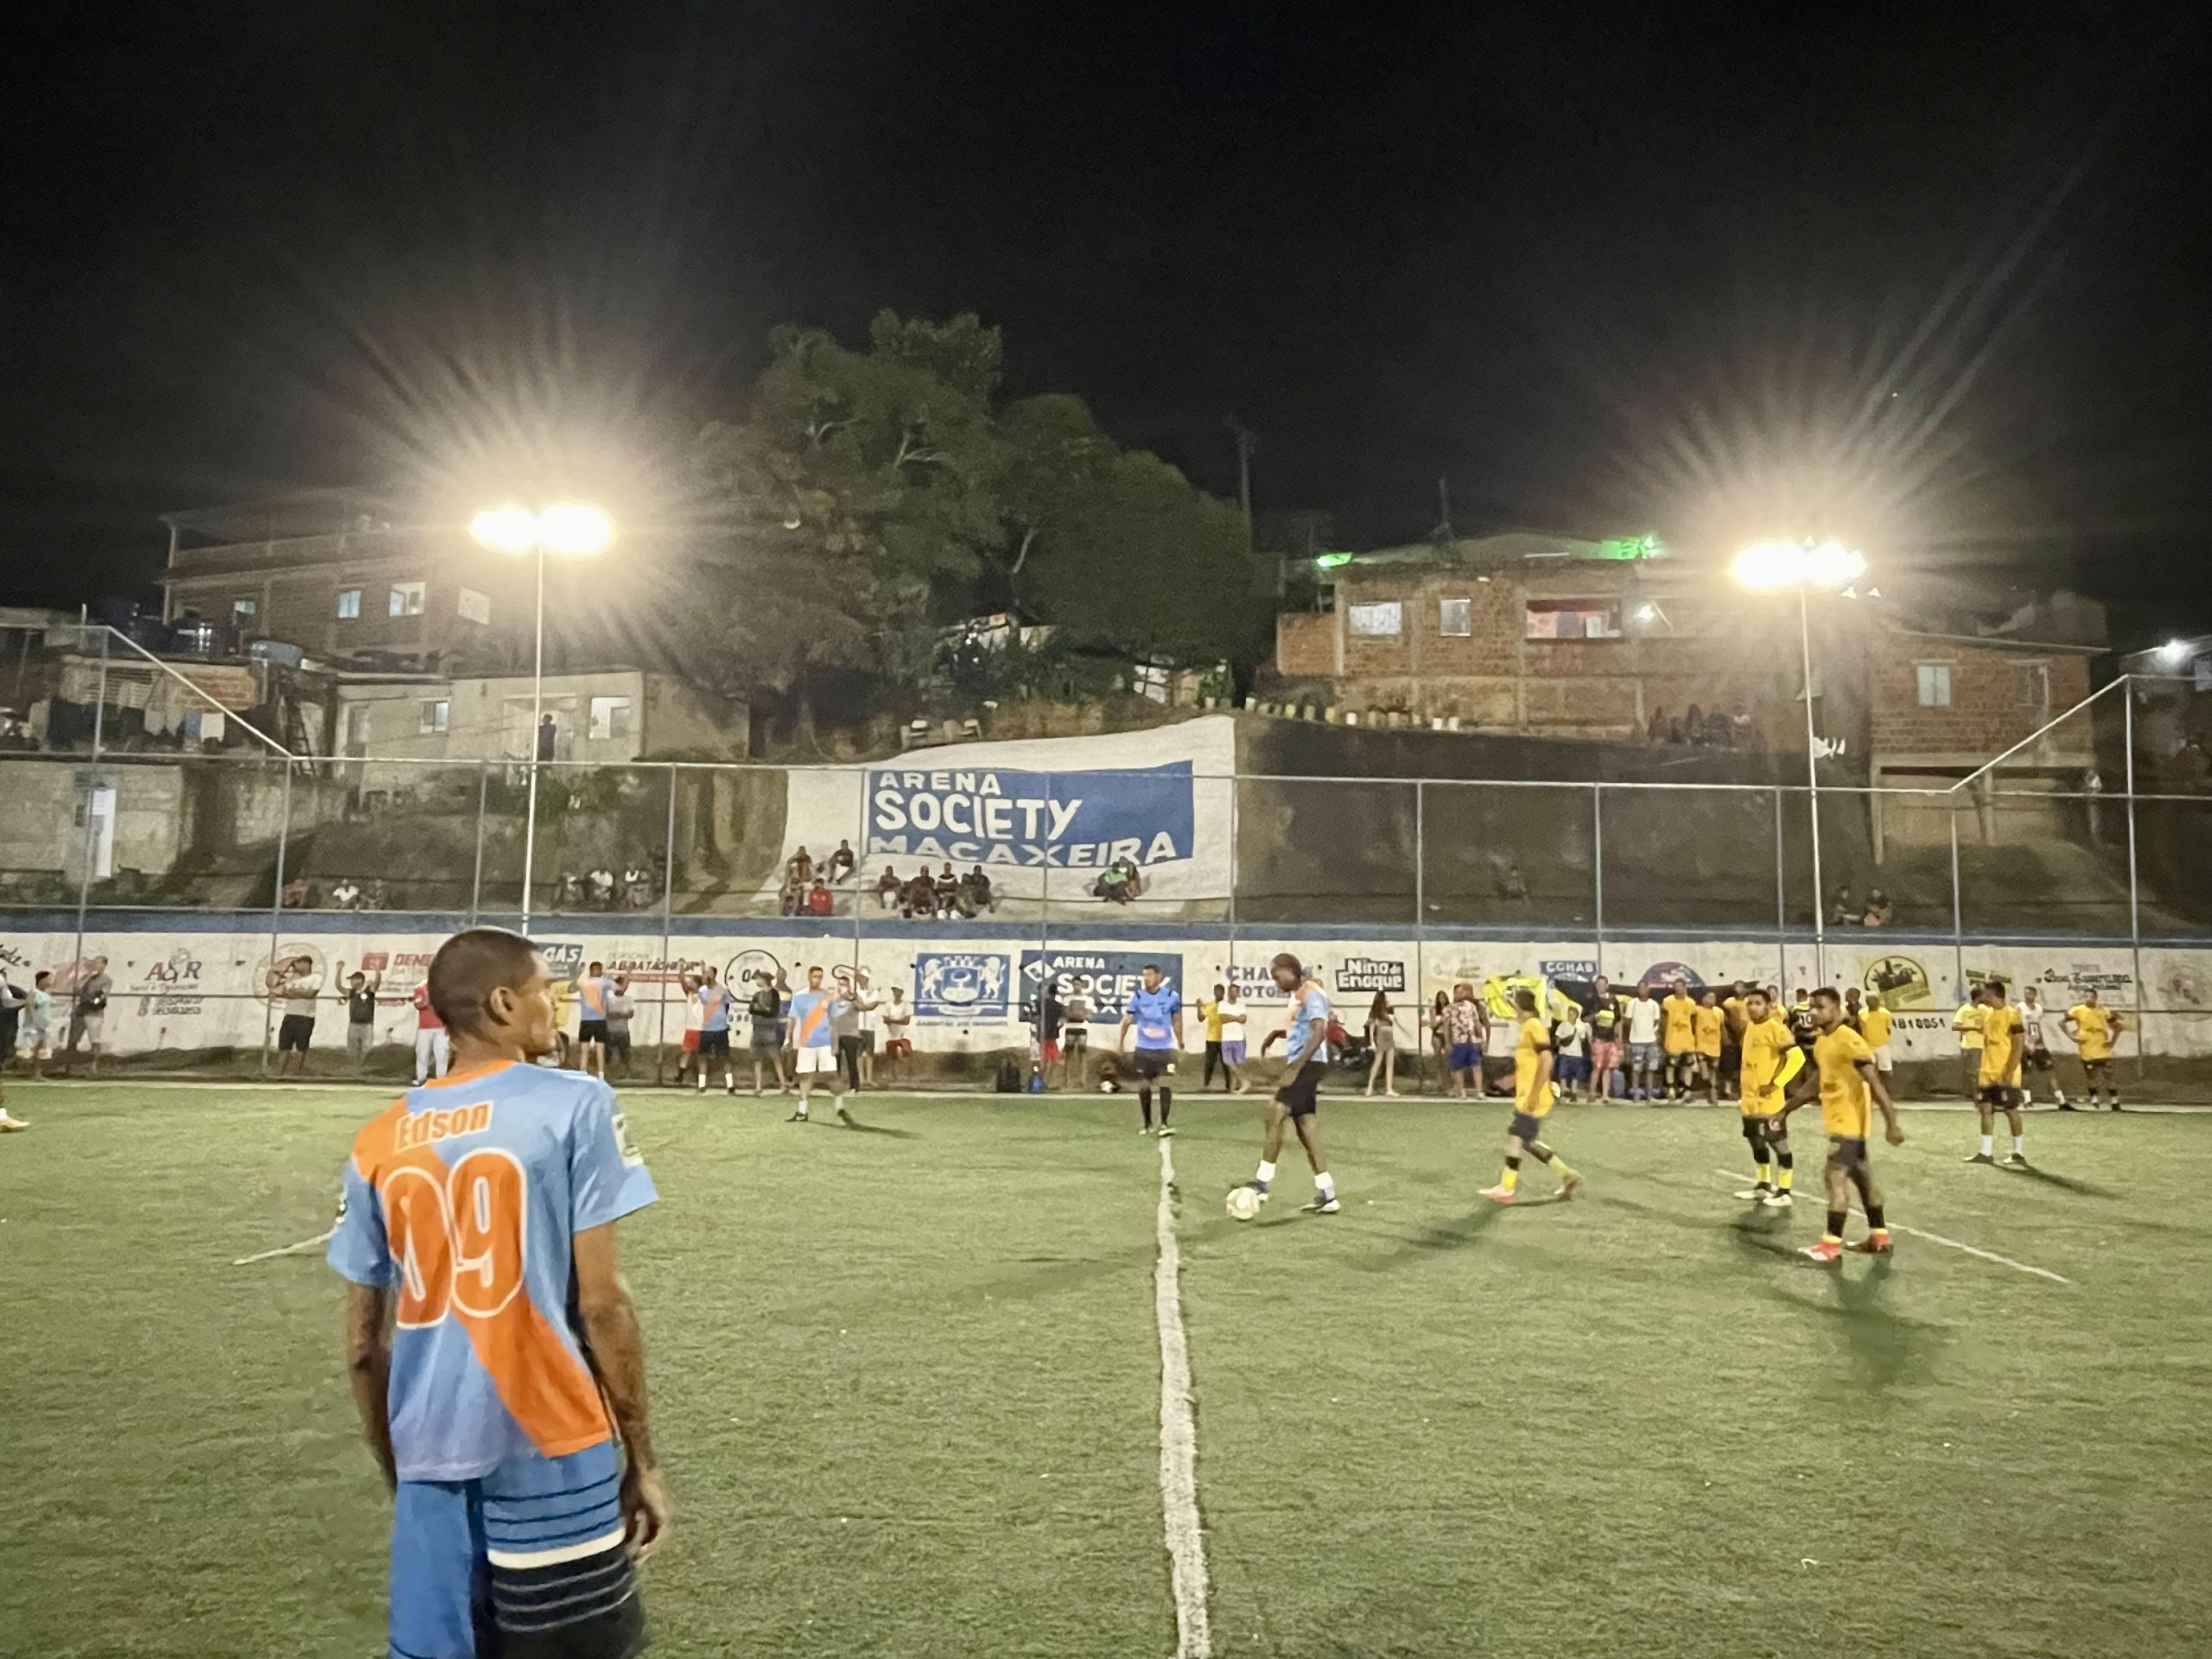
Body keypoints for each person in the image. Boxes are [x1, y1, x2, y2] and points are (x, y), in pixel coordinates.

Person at [327, 926, 667, 1659]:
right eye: (548, 989)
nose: (557, 1005)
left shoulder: (378, 1138)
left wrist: (405, 1475)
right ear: (506, 1004)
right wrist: (641, 1460)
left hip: (428, 1458)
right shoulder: (577, 1103)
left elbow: (362, 1348)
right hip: (549, 1445)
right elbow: (602, 1303)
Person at [1774, 987, 1904, 1263]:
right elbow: (1815, 1083)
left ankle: (1830, 1245)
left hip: (1848, 1125)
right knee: (1863, 1179)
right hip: (1844, 1124)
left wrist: (1892, 1123)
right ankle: (1879, 1237)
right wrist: (1785, 1110)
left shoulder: (1849, 1040)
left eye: (1820, 1006)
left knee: (1834, 1180)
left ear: (1837, 1009)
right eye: (1811, 1007)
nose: (1813, 1012)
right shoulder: (1823, 1041)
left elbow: (1876, 1085)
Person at [1237, 953, 1341, 1215]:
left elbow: (1319, 1032)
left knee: (1274, 1112)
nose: (1275, 981)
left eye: (1277, 975)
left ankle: (1261, 1184)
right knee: (1306, 1127)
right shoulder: (1298, 995)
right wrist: (1276, 1034)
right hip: (1305, 1062)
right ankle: (1328, 1194)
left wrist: (1295, 1067)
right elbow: (1303, 1028)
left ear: (1290, 970)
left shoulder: (1312, 993)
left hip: (1309, 1064)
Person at [1479, 988, 1582, 1205]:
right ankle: (1567, 1175)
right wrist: (1511, 1081)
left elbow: (1546, 1060)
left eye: (1516, 1007)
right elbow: (1531, 1065)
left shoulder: (1533, 1025)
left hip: (1533, 1099)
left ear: (1523, 1008)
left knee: (1514, 1139)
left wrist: (1535, 1094)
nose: (1514, 1012)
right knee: (1527, 1143)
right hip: (1528, 1096)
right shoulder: (1529, 1027)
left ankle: (1506, 1188)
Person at [1732, 988, 1804, 1205]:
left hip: (1770, 1101)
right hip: (1750, 1101)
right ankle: (1763, 1186)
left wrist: (1775, 1084)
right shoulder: (1751, 1027)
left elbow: (1797, 1059)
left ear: (1768, 1005)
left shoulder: (1777, 1029)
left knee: (1778, 1144)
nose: (1752, 1007)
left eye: (1757, 1003)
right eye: (1750, 1003)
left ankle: (1784, 1192)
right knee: (1756, 1142)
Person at [1965, 980, 2030, 1168]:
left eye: (1985, 994)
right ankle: (1986, 1152)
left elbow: (2018, 1045)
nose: (1982, 996)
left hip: (2005, 1072)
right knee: (1985, 1109)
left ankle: (2018, 1152)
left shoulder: (2012, 1014)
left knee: (2010, 1110)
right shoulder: (1988, 1015)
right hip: (1987, 1072)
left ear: (1994, 995)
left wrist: (2009, 1071)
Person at [1117, 963, 1185, 1136]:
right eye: (1144, 975)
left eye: (1149, 975)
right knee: (1144, 1086)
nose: (1146, 978)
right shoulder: (1138, 997)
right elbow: (1127, 1020)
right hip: (1144, 1050)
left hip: (1165, 1049)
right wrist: (1121, 1042)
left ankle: (1164, 1123)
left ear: (1159, 977)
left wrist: (1181, 1043)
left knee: (1165, 1083)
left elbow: (1176, 1020)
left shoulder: (1171, 996)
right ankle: (1147, 1123)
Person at [785, 965, 855, 1124]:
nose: (817, 979)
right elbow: (792, 1018)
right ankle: (802, 1111)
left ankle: (839, 1105)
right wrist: (787, 1038)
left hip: (825, 1042)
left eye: (820, 976)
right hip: (806, 1042)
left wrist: (849, 1000)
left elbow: (835, 1017)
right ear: (809, 977)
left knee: (831, 1077)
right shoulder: (800, 996)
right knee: (805, 1076)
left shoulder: (827, 997)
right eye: (815, 976)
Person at [2062, 988, 2121, 1109]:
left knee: (2108, 1073)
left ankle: (2115, 1101)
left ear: (2096, 998)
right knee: (2091, 1074)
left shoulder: (2104, 1011)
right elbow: (2061, 1022)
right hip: (2086, 1045)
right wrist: (2071, 1036)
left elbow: (2118, 1027)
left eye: (2091, 996)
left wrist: (2112, 1042)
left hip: (2101, 1044)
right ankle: (2094, 1098)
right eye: (2086, 996)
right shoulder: (2077, 1010)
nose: (2088, 998)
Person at [688, 966, 737, 1096]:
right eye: (705, 974)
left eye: (709, 974)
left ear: (714, 975)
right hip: (706, 1029)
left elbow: (727, 1005)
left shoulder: (721, 990)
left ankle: (730, 1085)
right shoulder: (702, 991)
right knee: (702, 1056)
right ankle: (702, 1084)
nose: (707, 976)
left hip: (720, 1028)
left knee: (725, 1057)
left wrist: (724, 1020)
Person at [268, 954, 318, 1078]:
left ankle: (296, 1073)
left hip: (306, 1016)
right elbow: (281, 991)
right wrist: (291, 993)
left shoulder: (315, 977)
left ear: (306, 964)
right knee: (284, 1046)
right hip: (290, 1015)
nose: (296, 966)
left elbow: (310, 994)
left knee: (301, 1047)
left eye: (299, 963)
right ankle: (279, 1073)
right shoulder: (293, 978)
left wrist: (292, 993)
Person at [63, 954, 113, 1077]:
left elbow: (101, 998)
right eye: (94, 962)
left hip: (94, 1013)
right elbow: (77, 988)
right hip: (82, 1011)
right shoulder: (88, 977)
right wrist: (88, 976)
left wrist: (88, 998)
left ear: (104, 964)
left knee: (95, 1041)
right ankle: (69, 1068)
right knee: (73, 1039)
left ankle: (94, 1068)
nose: (95, 964)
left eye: (97, 962)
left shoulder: (106, 980)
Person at [2015, 985, 2065, 1108]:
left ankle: (2061, 1099)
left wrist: (2041, 1041)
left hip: (2038, 1044)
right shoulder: (2020, 1008)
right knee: (2026, 1072)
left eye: (2031, 994)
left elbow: (2036, 1026)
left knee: (2049, 1069)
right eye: (2026, 993)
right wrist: (2023, 1044)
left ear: (2035, 995)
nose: (2028, 996)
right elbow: (2017, 1026)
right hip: (2026, 1043)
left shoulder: (2038, 1009)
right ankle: (2027, 1099)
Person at [832, 969, 878, 1094]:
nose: (842, 987)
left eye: (844, 984)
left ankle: (854, 1086)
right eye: (840, 984)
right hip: (837, 1033)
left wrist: (852, 998)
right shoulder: (834, 998)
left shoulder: (854, 998)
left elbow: (862, 1006)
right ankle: (838, 1084)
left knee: (851, 1060)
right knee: (835, 1061)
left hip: (850, 1033)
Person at [746, 969, 790, 1096]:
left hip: (769, 1030)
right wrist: (763, 1009)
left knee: (775, 1057)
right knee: (757, 1059)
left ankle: (783, 1085)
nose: (757, 981)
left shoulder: (774, 994)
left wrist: (761, 1009)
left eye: (758, 979)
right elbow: (751, 1009)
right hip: (757, 1029)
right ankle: (758, 1086)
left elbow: (772, 1011)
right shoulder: (756, 995)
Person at [1657, 976, 1699, 1103]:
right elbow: (1663, 1019)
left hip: (1687, 1039)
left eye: (1681, 986)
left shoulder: (1691, 1003)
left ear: (1685, 987)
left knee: (1687, 1066)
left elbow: (1694, 1019)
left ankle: (1687, 1091)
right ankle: (1671, 1090)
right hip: (1672, 1038)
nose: (1679, 989)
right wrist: (1662, 1034)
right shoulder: (1668, 1001)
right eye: (1676, 986)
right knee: (1671, 1065)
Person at [575, 960, 616, 1079]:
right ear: (592, 971)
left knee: (598, 1049)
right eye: (598, 969)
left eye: (600, 969)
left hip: (596, 1020)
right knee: (586, 1049)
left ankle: (599, 1074)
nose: (599, 972)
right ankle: (584, 1073)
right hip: (590, 1020)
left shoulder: (598, 982)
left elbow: (619, 988)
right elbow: (618, 987)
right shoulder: (601, 982)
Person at [1443, 982, 1484, 1099]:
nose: (1460, 994)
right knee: (1458, 1067)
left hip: (1471, 1039)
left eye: (1462, 992)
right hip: (1458, 1040)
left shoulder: (1471, 1006)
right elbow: (1446, 1026)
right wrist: (1447, 1042)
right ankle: (1461, 1091)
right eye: (1458, 992)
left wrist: (1482, 1037)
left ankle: (1479, 1092)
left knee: (1476, 1065)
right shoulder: (1448, 1009)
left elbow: (1477, 1022)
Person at [1624, 982, 1663, 1103]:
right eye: (1640, 988)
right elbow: (1627, 1021)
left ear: (1648, 989)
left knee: (1651, 1069)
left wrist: (1651, 1032)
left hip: (1651, 1041)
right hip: (1637, 1041)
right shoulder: (1632, 1003)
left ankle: (1649, 1095)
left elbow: (1657, 1020)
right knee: (1636, 1069)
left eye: (1644, 988)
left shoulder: (1654, 1004)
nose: (1642, 990)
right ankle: (1636, 1094)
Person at [1586, 976, 1623, 1101]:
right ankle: (1591, 1092)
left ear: (1607, 985)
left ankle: (1605, 1094)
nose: (1601, 986)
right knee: (1597, 1066)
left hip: (1610, 1038)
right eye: (1598, 984)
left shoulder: (1614, 1000)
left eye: (1603, 984)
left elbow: (1618, 1021)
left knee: (1607, 1067)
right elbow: (1585, 1019)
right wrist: (1597, 1016)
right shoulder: (1591, 1000)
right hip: (1598, 1037)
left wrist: (1619, 1041)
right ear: (1596, 985)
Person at [343, 966, 383, 1077]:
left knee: (367, 1048)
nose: (351, 982)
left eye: (353, 979)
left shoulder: (369, 990)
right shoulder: (351, 992)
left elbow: (377, 984)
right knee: (352, 1050)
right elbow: (339, 987)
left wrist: (378, 971)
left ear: (360, 980)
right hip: (353, 1024)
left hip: (367, 1025)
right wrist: (338, 971)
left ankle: (359, 1067)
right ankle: (355, 1070)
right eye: (351, 980)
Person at [1363, 991, 1402, 1097]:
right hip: (1381, 1036)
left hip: (1389, 1035)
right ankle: (1370, 1086)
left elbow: (1393, 1021)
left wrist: (1390, 1017)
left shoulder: (1389, 1010)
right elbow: (1371, 1028)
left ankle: (1389, 1088)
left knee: (1390, 1063)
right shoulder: (1375, 1012)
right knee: (1377, 1062)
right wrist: (1372, 1042)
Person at [410, 979, 449, 1085]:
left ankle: (441, 1080)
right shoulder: (420, 987)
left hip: (441, 1026)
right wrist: (428, 996)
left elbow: (447, 1007)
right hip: (425, 1027)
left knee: (441, 1055)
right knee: (422, 1054)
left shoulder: (443, 987)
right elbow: (419, 1005)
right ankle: (421, 1078)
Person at [19, 969, 55, 1083]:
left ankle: (37, 1073)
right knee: (29, 1052)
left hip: (43, 1026)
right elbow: (31, 1009)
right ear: (42, 980)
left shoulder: (46, 995)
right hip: (33, 1026)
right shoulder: (34, 993)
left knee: (40, 1050)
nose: (50, 982)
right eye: (48, 979)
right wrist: (36, 1023)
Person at [1952, 988, 1986, 1100]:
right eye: (1983, 996)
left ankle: (1984, 1093)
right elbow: (1955, 1026)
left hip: (1985, 1044)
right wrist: (1972, 1028)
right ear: (1978, 997)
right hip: (1971, 1044)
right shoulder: (1965, 1009)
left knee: (1983, 1070)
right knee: (1973, 1071)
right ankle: (1975, 1094)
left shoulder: (1985, 1009)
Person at [1552, 1003, 1591, 1103]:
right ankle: (1564, 1091)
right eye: (1569, 1014)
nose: (1570, 1016)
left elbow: (1582, 1039)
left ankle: (1573, 1092)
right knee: (1563, 1074)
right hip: (1564, 1052)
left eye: (1572, 1014)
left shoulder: (1580, 1026)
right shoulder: (1563, 1025)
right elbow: (1558, 1038)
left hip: (1577, 1053)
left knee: (1575, 1075)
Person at [1693, 988, 1725, 1104]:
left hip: (1715, 1047)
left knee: (1713, 1072)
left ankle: (1712, 1096)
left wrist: (1724, 1040)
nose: (1712, 1000)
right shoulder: (1697, 1010)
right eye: (1709, 997)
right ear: (1703, 999)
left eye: (1714, 998)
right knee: (1704, 1072)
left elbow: (1722, 1027)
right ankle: (1710, 1091)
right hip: (1701, 1046)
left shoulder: (1719, 1012)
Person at [1718, 980, 1749, 1097]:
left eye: (1741, 987)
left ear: (1745, 989)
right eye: (1736, 987)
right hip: (1732, 1036)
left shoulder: (1749, 1002)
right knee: (1730, 1064)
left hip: (1746, 1036)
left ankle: (1743, 1088)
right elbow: (1725, 1020)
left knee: (1745, 1064)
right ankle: (1727, 1089)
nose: (1738, 989)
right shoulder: (1729, 1002)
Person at [1060, 976, 1093, 1086]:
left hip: (1082, 1028)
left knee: (1082, 1054)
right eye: (1074, 984)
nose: (1076, 986)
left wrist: (1076, 1015)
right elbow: (1066, 1014)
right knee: (1068, 1054)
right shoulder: (1067, 999)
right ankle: (1067, 1079)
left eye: (1078, 984)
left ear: (1082, 985)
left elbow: (1088, 1015)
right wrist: (1079, 1015)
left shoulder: (1087, 999)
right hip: (1070, 1028)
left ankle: (1082, 1079)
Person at [1218, 982, 1249, 1093]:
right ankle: (1244, 1081)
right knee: (1228, 1062)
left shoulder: (1241, 1006)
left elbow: (1243, 1020)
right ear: (1229, 992)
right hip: (1227, 1037)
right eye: (1233, 991)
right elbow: (1222, 1019)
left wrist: (1230, 1017)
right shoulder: (1222, 1004)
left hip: (1239, 1037)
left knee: (1237, 1064)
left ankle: (1233, 1089)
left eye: (1237, 992)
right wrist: (1236, 1018)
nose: (1235, 994)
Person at [1197, 982, 1228, 1090]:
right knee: (1209, 1063)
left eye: (1220, 991)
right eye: (1216, 991)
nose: (1218, 993)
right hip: (1212, 1039)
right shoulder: (1210, 1006)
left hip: (1225, 1039)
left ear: (1223, 993)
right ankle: (1206, 1085)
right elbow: (1201, 1018)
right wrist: (1199, 1008)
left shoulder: (1227, 1006)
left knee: (1226, 1064)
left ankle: (1229, 1086)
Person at [604, 974, 634, 1078]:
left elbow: (631, 1014)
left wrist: (617, 1014)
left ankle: (627, 1074)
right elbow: (607, 1014)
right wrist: (620, 1014)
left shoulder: (628, 999)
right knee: (609, 1053)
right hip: (611, 1030)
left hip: (623, 1031)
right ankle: (609, 1074)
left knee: (625, 1053)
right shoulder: (609, 999)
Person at [1860, 992, 1894, 1084]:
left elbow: (1888, 1030)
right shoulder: (1861, 1013)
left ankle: (1887, 1090)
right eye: (1870, 1000)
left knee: (1886, 1071)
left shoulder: (1886, 1013)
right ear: (1867, 1002)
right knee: (1870, 1071)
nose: (1873, 1002)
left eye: (1875, 1000)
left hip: (1882, 1046)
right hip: (1868, 1047)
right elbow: (1861, 1028)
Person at [880, 987, 914, 1081]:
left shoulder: (906, 1005)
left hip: (904, 1033)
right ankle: (894, 1076)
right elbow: (885, 1020)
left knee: (906, 1054)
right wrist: (899, 1020)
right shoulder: (888, 1004)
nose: (896, 993)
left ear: (902, 992)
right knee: (892, 1056)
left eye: (898, 991)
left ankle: (908, 1076)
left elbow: (906, 1021)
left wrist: (891, 1020)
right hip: (891, 1034)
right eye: (894, 991)